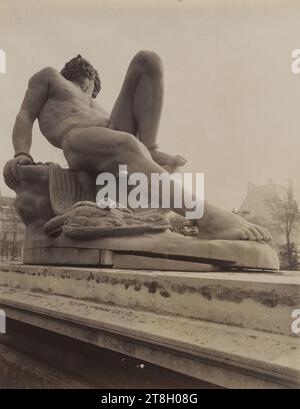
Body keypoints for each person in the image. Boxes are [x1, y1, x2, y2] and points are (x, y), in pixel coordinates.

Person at [4, 51, 270, 241]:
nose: (91, 92)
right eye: (91, 85)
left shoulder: (95, 103)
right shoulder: (51, 77)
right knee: (127, 143)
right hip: (79, 139)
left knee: (148, 60)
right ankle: (206, 216)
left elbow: (115, 122)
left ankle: (149, 147)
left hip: (111, 135)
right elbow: (25, 116)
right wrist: (21, 153)